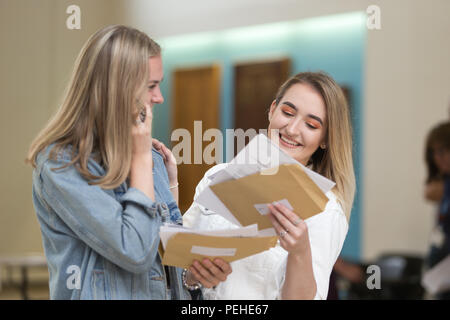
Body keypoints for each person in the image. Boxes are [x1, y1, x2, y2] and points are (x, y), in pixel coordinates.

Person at [26, 25, 230, 300]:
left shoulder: (151, 156)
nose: (159, 97)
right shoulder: (61, 163)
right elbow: (135, 252)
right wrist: (142, 160)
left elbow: (172, 259)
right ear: (116, 89)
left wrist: (193, 278)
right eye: (151, 86)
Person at [183, 71, 356, 299]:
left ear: (325, 139)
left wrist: (300, 252)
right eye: (287, 112)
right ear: (272, 110)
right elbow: (177, 268)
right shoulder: (217, 175)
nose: (292, 129)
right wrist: (191, 278)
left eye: (311, 125)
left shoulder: (326, 209)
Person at [423, 121, 450, 299]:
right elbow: (428, 192)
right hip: (441, 274)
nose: (438, 158)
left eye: (443, 151)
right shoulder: (443, 183)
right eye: (434, 152)